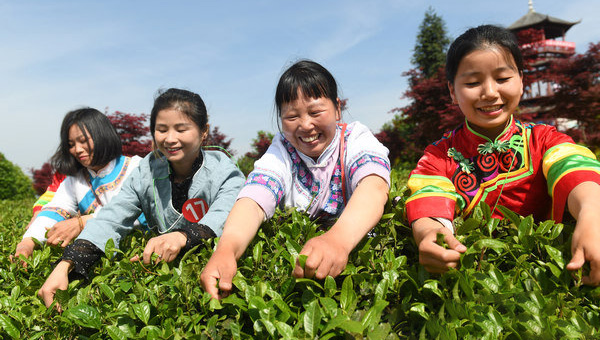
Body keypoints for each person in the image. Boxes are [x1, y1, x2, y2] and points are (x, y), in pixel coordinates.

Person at [406, 25, 600, 285]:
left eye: (502, 78)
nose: (489, 92)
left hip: (550, 276)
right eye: (473, 82)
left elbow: (575, 170)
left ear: (522, 81)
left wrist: (591, 214)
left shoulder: (544, 139)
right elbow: (429, 198)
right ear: (452, 91)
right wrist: (430, 233)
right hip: (476, 282)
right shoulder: (439, 156)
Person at [38, 88, 245, 308]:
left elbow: (226, 214)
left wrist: (181, 238)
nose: (170, 139)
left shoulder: (225, 170)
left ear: (204, 131)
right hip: (160, 287)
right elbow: (112, 217)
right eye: (162, 129)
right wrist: (66, 264)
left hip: (214, 278)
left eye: (181, 129)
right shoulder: (146, 170)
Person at [201, 60, 391, 299]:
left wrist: (338, 240)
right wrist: (226, 249)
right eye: (292, 116)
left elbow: (374, 185)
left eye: (315, 112)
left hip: (361, 267)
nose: (305, 125)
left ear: (337, 108)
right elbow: (255, 198)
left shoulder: (355, 137)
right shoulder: (282, 149)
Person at [13, 108, 143, 260]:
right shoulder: (75, 180)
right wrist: (27, 243)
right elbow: (55, 210)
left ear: (102, 135)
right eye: (71, 144)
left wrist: (82, 222)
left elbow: (136, 214)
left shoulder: (136, 167)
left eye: (83, 141)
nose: (77, 150)